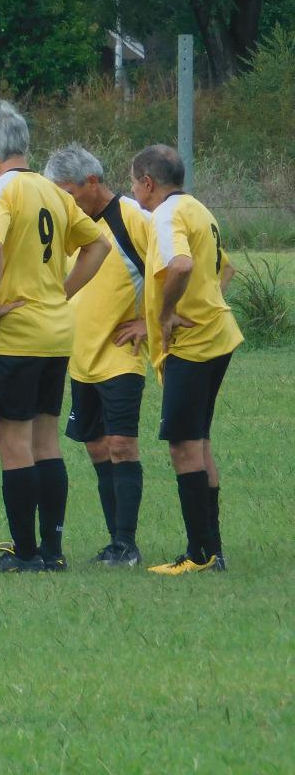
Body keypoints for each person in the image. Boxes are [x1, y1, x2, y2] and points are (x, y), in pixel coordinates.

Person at [0, 100, 109, 573]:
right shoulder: (54, 192)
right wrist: (60, 292)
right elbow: (99, 244)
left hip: (15, 335)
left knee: (13, 444)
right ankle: (53, 550)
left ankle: (25, 553)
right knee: (46, 442)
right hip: (55, 334)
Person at [130, 144, 242, 575]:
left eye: (133, 181)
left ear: (148, 183)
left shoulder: (165, 215)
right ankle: (212, 551)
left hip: (192, 348)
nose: (134, 190)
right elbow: (225, 270)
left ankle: (200, 555)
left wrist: (165, 313)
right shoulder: (198, 209)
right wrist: (206, 303)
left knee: (184, 445)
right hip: (217, 336)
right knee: (199, 441)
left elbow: (179, 264)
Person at [45, 144, 153, 567]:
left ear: (92, 182)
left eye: (66, 192)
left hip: (119, 355)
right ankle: (114, 542)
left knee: (122, 444)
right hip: (79, 358)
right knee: (94, 447)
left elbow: (204, 271)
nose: (61, 202)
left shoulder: (134, 218)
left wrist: (150, 322)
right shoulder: (71, 224)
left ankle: (127, 543)